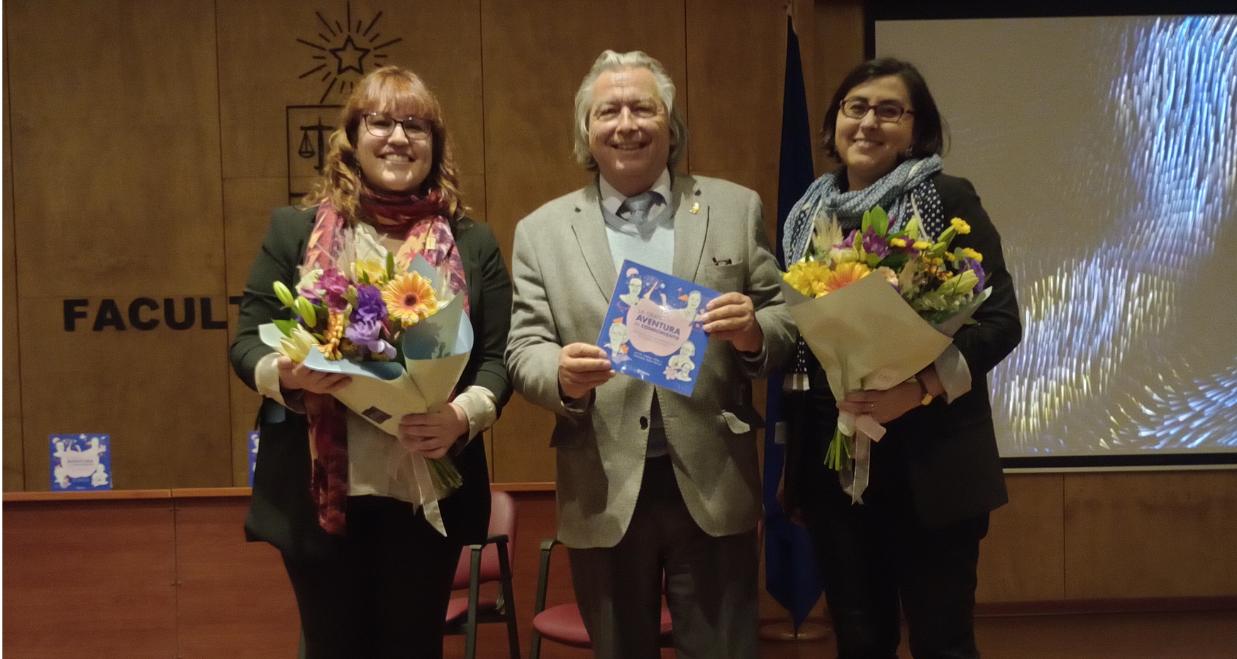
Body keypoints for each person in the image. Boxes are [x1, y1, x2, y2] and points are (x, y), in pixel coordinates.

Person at [506, 50, 794, 659]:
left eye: (644, 107)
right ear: (588, 132)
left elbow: (786, 318)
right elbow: (524, 347)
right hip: (602, 480)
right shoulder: (542, 230)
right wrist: (558, 374)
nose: (627, 123)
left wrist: (753, 332)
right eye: (608, 111)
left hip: (715, 476)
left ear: (671, 125)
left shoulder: (735, 207)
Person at [228, 66, 512, 659]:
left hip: (424, 492)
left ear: (436, 145)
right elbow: (248, 340)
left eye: (415, 125)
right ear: (352, 139)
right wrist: (288, 376)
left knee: (413, 649)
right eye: (380, 122)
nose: (398, 137)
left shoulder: (472, 242)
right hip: (321, 493)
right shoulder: (294, 230)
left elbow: (496, 360)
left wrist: (463, 415)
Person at [781, 58, 1022, 659]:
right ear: (836, 120)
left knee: (942, 642)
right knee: (860, 640)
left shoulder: (944, 197)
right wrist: (798, 467)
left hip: (933, 464)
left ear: (915, 129)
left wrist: (913, 390)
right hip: (837, 471)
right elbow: (805, 346)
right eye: (855, 107)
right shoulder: (805, 215)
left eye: (889, 111)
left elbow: (999, 321)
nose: (868, 122)